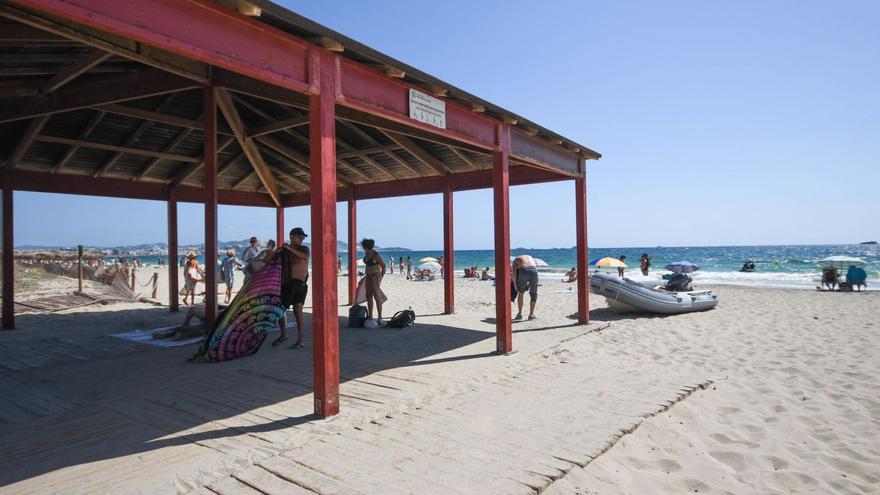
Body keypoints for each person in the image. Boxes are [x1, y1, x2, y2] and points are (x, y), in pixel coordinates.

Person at [274, 228, 309, 348]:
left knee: (297, 311)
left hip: (299, 284)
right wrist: (276, 251)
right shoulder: (284, 251)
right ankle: (283, 334)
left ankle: (301, 340)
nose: (301, 240)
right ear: (291, 236)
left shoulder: (303, 249)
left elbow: (302, 257)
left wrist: (288, 247)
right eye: (299, 237)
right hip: (286, 284)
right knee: (279, 310)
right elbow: (268, 260)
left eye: (302, 238)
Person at [152, 304, 224, 341]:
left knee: (192, 330)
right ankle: (170, 334)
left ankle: (168, 335)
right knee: (192, 314)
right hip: (207, 322)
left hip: (209, 327)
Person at [362, 238, 386, 322]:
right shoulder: (367, 253)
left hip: (375, 275)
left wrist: (381, 277)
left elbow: (383, 265)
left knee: (376, 295)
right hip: (368, 275)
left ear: (366, 246)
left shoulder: (375, 255)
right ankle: (370, 316)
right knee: (368, 295)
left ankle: (380, 317)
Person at [512, 254, 539, 320]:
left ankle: (519, 314)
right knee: (533, 294)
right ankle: (531, 315)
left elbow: (514, 273)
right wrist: (529, 285)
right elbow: (533, 268)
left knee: (521, 293)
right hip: (534, 271)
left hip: (523, 270)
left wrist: (515, 285)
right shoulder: (531, 257)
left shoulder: (516, 259)